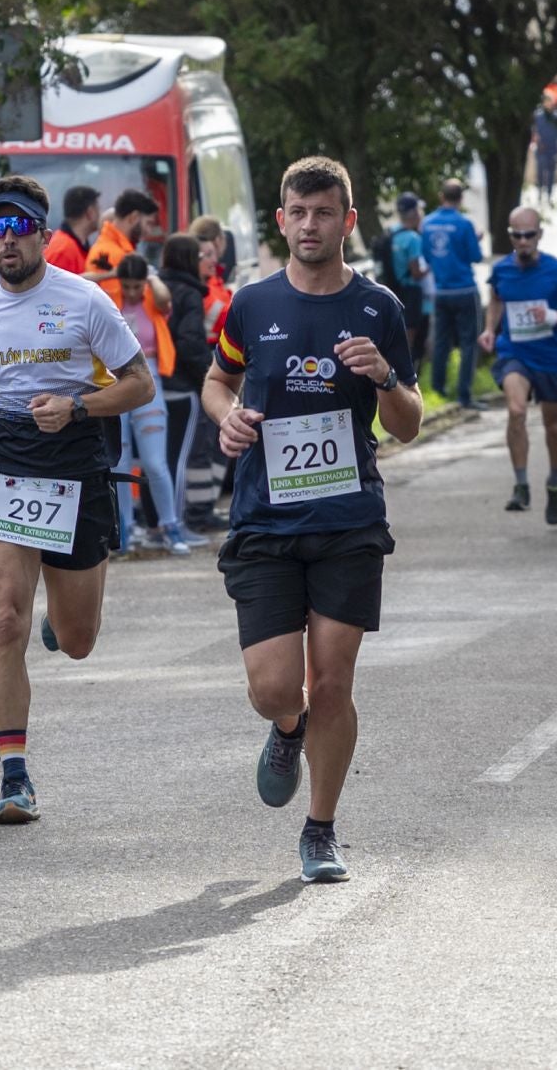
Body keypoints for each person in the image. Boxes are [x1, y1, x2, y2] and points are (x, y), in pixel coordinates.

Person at [202, 155, 421, 883]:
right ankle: (285, 728)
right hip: (265, 518)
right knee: (274, 686)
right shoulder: (251, 304)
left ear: (347, 221)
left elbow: (409, 421)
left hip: (348, 516)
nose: (309, 225)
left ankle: (321, 828)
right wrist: (227, 418)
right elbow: (216, 379)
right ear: (281, 220)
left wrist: (384, 377)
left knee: (332, 681)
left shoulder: (378, 308)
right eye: (297, 213)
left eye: (323, 212)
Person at [0, 175, 156, 824]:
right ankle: (14, 776)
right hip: (7, 458)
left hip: (75, 456)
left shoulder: (84, 301)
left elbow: (140, 385)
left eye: (18, 228)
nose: (6, 241)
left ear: (41, 233)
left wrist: (78, 403)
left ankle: (63, 613)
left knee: (78, 639)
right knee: (3, 619)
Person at [478, 207, 557, 523]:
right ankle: (521, 484)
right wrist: (490, 329)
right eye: (517, 235)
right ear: (511, 235)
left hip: (551, 358)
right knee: (516, 411)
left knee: (552, 425)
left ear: (539, 235)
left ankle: (554, 480)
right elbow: (497, 299)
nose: (523, 240)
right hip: (515, 353)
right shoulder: (502, 271)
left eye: (529, 234)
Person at [112, 253, 201, 554]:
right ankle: (123, 528)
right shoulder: (110, 296)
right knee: (120, 462)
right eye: (127, 286)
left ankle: (170, 525)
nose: (132, 292)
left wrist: (151, 277)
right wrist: (111, 274)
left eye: (137, 286)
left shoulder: (152, 297)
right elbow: (84, 281)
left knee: (154, 461)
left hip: (150, 380)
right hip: (115, 382)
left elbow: (164, 300)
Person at [159, 233, 218, 530]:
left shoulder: (157, 288)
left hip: (157, 383)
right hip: (184, 385)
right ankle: (184, 521)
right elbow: (191, 341)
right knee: (186, 456)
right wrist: (209, 377)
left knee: (159, 458)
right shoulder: (190, 293)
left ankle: (158, 520)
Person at [422, 178, 483, 407]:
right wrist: (476, 241)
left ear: (441, 197)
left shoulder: (427, 223)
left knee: (441, 342)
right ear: (461, 199)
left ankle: (438, 389)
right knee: (468, 343)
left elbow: (426, 257)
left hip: (441, 291)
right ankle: (464, 394)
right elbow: (475, 256)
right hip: (465, 290)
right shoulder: (464, 224)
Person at [86, 189, 159, 304]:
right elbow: (115, 306)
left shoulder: (116, 250)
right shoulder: (111, 253)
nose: (149, 231)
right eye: (148, 223)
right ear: (134, 217)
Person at [384, 193, 430, 368]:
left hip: (392, 289)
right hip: (410, 292)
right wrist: (431, 268)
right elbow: (416, 273)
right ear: (415, 212)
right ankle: (407, 372)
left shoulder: (391, 232)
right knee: (409, 337)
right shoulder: (413, 238)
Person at [47, 186, 99, 276]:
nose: (100, 215)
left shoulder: (75, 246)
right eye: (98, 209)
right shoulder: (63, 251)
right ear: (90, 213)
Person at [532, 95, 557, 207]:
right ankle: (540, 194)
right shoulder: (538, 116)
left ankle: (549, 194)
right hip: (541, 149)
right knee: (540, 173)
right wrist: (537, 142)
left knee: (551, 174)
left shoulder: (556, 117)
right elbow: (534, 131)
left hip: (552, 149)